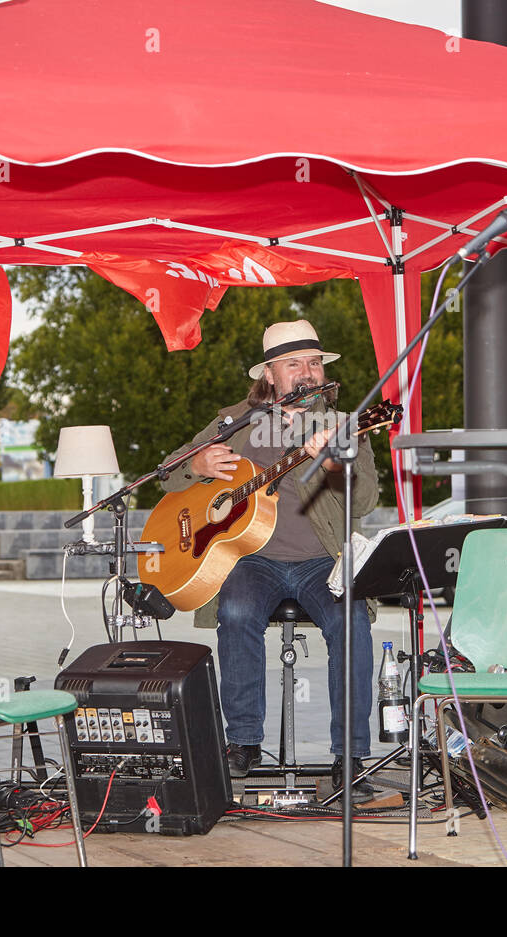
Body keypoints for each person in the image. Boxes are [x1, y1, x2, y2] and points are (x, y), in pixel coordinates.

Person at [159, 320, 379, 797]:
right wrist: (195, 466)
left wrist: (345, 462)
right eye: (294, 363)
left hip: (323, 558)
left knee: (351, 620)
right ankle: (242, 742)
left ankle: (350, 755)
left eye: (315, 362)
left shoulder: (341, 423)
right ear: (270, 374)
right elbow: (166, 474)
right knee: (235, 611)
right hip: (252, 559)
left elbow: (363, 504)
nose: (307, 372)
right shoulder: (234, 420)